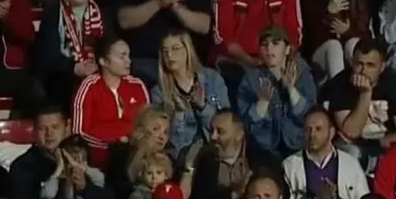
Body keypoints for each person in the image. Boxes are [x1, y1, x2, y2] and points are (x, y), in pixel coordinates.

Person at [279, 109, 370, 199]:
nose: (312, 135)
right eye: (308, 130)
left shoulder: (351, 164)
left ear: (331, 132)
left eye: (318, 129)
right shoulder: (290, 165)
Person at [237, 25, 317, 158]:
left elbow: (311, 117)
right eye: (264, 45)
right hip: (264, 150)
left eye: (275, 43)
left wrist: (291, 91)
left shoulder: (302, 74)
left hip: (298, 146)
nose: (269, 49)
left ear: (287, 49)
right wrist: (261, 104)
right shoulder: (251, 79)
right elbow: (246, 124)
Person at [324, 39, 396, 157]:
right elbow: (351, 133)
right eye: (359, 64)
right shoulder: (339, 84)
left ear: (382, 67)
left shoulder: (395, 83)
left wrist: (387, 141)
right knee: (353, 152)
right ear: (352, 63)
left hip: (387, 142)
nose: (363, 71)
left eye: (370, 65)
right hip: (353, 145)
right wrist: (365, 93)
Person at [74, 36, 152, 164]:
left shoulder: (137, 85)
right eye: (122, 56)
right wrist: (114, 145)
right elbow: (79, 134)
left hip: (135, 157)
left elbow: (149, 124)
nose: (128, 61)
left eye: (128, 56)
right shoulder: (89, 87)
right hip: (99, 159)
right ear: (103, 61)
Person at [152, 30, 229, 158]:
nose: (169, 55)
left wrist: (203, 107)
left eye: (175, 48)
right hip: (182, 156)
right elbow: (173, 144)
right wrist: (179, 115)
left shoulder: (213, 79)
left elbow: (226, 126)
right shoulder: (159, 92)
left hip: (217, 150)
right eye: (165, 51)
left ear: (188, 50)